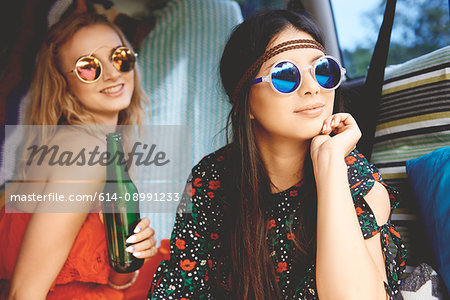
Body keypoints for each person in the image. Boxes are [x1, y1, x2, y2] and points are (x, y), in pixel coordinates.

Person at [149, 9, 406, 300]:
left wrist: (331, 167)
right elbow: (181, 289)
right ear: (245, 102)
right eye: (286, 76)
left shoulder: (356, 179)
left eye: (323, 71)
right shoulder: (210, 180)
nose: (312, 89)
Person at [0, 13, 160, 299]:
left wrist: (130, 260)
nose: (112, 73)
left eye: (120, 57)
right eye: (88, 67)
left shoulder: (98, 146)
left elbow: (115, 284)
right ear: (64, 85)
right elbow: (23, 292)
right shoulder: (83, 152)